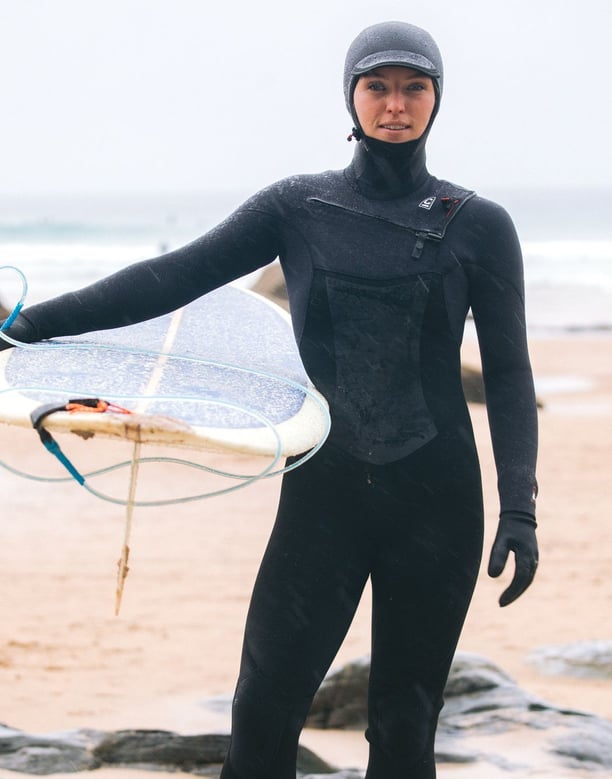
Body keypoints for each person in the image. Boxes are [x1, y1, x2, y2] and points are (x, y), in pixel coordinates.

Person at [0, 20, 539, 779]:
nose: (395, 104)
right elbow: (170, 279)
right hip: (325, 498)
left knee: (406, 723)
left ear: (436, 99)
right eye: (377, 86)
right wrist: (31, 326)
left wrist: (520, 505)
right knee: (262, 709)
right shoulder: (298, 207)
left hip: (438, 501)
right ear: (350, 96)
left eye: (414, 86)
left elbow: (510, 372)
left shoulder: (478, 225)